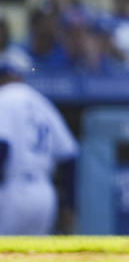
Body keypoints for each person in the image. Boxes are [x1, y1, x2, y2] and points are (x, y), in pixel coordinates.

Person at [0, 52, 78, 234]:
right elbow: (70, 155)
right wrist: (69, 205)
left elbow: (3, 147)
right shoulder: (42, 102)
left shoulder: (4, 97)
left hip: (13, 190)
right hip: (44, 194)